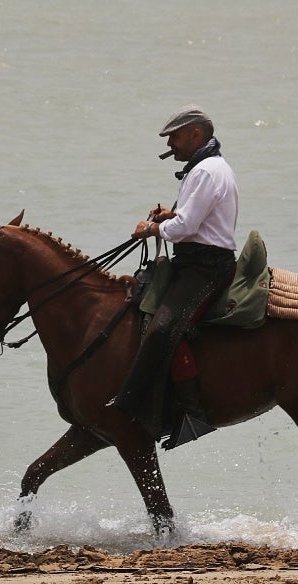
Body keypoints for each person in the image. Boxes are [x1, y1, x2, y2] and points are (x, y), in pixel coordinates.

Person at [111, 107, 238, 449]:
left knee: (162, 330)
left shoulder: (205, 172)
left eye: (175, 137)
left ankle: (191, 415)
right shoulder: (206, 168)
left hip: (203, 267)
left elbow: (185, 228)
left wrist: (152, 227)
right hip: (197, 261)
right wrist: (171, 215)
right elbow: (188, 218)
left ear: (195, 134)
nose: (171, 145)